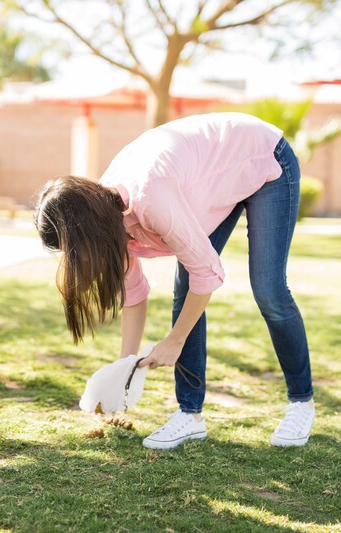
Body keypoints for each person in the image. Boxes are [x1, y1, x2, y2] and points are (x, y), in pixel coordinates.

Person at [34, 112, 314, 450]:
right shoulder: (105, 217)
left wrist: (175, 340)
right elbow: (133, 294)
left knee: (267, 288)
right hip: (208, 177)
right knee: (185, 286)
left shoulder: (150, 198)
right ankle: (190, 415)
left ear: (88, 231)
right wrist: (124, 371)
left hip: (263, 156)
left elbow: (206, 272)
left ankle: (301, 402)